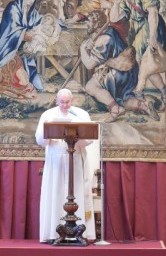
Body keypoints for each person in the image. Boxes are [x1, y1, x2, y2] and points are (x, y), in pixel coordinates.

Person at [35, 89, 97, 243]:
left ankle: (79, 232)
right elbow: (39, 139)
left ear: (72, 100)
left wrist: (77, 140)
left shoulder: (81, 114)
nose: (64, 105)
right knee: (55, 193)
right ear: (57, 101)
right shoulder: (48, 115)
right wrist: (50, 134)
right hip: (55, 161)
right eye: (61, 102)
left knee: (76, 192)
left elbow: (89, 137)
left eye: (67, 102)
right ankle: (54, 233)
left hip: (75, 158)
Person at [79, 9, 158, 122]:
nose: (86, 23)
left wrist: (83, 49)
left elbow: (89, 65)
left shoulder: (104, 39)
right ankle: (144, 105)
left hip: (117, 73)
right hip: (130, 73)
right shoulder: (111, 31)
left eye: (89, 21)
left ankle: (115, 109)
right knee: (124, 99)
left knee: (90, 87)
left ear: (96, 24)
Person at [111, 0, 166, 107]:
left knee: (139, 61)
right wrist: (116, 4)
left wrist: (153, 36)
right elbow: (114, 18)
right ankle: (164, 92)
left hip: (150, 26)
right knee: (145, 64)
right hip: (137, 30)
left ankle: (139, 91)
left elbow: (153, 13)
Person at [0, 0, 43, 97]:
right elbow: (11, 29)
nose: (31, 0)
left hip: (17, 46)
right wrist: (25, 34)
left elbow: (39, 21)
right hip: (4, 46)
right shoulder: (13, 8)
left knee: (25, 83)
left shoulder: (31, 11)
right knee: (23, 84)